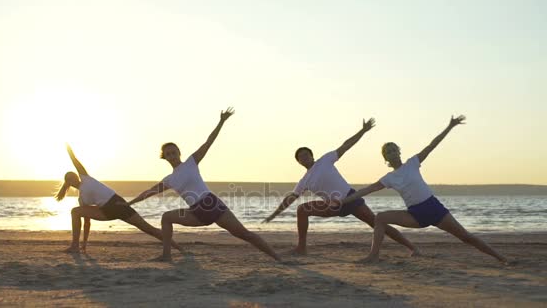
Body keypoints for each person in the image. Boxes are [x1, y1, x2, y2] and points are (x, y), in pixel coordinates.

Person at [338, 115, 508, 263]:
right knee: (380, 218)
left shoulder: (413, 163)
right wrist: (344, 200)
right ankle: (373, 256)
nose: (391, 152)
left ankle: (502, 258)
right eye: (388, 152)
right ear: (385, 158)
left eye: (393, 149)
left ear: (399, 151)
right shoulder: (389, 178)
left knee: (466, 237)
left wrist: (450, 126)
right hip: (415, 214)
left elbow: (432, 145)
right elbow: (366, 190)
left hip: (434, 209)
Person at [129, 108, 281, 262]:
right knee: (166, 217)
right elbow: (149, 192)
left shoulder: (191, 162)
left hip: (211, 204)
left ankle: (277, 258)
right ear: (164, 157)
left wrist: (221, 121)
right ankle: (166, 255)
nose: (171, 156)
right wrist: (130, 203)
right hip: (196, 212)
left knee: (243, 234)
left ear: (179, 153)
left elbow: (208, 142)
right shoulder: (169, 179)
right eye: (168, 154)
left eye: (173, 152)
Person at [263, 118, 418, 257]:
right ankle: (301, 248)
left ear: (312, 155)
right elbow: (290, 198)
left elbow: (346, 145)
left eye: (306, 154)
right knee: (301, 209)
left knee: (376, 222)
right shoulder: (304, 180)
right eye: (301, 157)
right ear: (299, 162)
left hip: (350, 198)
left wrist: (363, 131)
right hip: (333, 206)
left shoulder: (325, 160)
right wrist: (273, 215)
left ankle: (411, 247)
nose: (304, 158)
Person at [56, 144, 183, 254]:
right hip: (105, 211)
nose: (72, 180)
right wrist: (84, 244)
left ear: (76, 177)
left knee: (147, 228)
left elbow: (75, 160)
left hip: (118, 204)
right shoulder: (82, 200)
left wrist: (68, 149)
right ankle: (75, 246)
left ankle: (178, 247)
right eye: (69, 180)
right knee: (75, 211)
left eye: (72, 177)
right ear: (68, 183)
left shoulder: (85, 178)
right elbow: (87, 223)